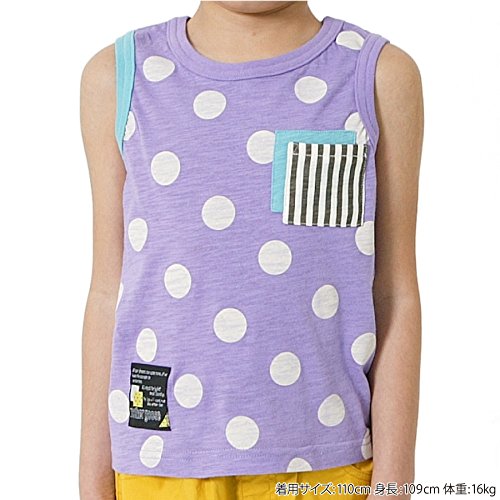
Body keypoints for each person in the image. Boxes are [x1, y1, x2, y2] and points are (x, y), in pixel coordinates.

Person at [79, 1, 423, 499]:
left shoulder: (376, 76)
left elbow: (394, 293)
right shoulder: (118, 77)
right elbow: (108, 290)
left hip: (324, 462)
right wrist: (93, 479)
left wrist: (394, 485)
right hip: (158, 457)